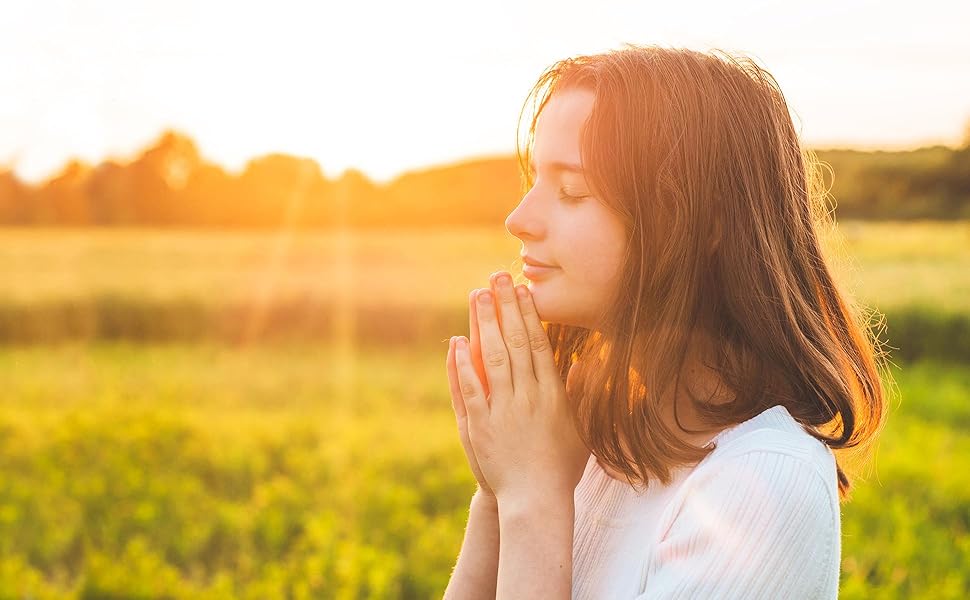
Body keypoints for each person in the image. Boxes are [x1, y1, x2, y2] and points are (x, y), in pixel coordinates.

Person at [443, 44, 888, 599]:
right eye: (533, 181)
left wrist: (532, 498)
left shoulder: (765, 483)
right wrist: (498, 494)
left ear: (696, 223)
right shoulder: (596, 443)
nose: (519, 219)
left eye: (572, 190)